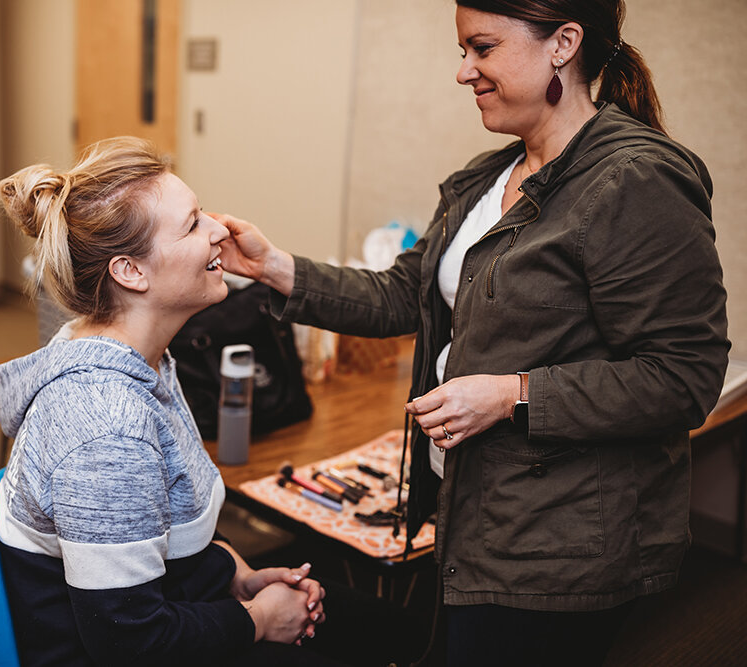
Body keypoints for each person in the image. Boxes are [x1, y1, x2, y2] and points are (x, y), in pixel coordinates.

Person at [215, 1, 729, 665]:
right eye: (464, 50)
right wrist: (275, 267)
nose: (464, 72)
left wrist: (512, 394)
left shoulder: (635, 179)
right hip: (471, 511)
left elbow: (684, 376)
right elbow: (405, 293)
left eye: (482, 48)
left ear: (563, 43)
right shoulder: (490, 176)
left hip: (557, 545)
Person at [0, 136, 335, 666]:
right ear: (131, 271)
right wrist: (260, 619)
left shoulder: (134, 356)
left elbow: (159, 526)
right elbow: (130, 640)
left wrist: (236, 575)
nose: (221, 229)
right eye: (194, 222)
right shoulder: (106, 428)